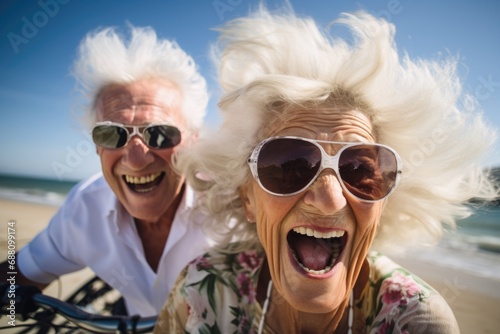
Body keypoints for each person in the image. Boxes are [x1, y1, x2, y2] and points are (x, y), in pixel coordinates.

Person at [154, 7, 499, 334]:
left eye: (359, 170)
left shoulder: (417, 321)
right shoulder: (201, 291)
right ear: (247, 198)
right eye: (289, 165)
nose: (330, 200)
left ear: (383, 204)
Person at [0, 25, 212, 317]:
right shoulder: (86, 207)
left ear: (193, 140)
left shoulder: (234, 205)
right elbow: (19, 272)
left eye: (160, 134)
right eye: (112, 135)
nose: (136, 160)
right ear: (97, 146)